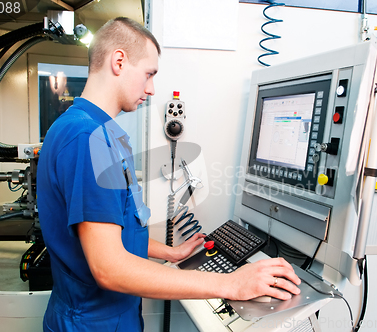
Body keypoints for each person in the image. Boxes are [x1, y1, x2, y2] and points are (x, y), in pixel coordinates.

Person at [37, 17, 301, 331]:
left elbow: (108, 230)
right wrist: (230, 284)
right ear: (119, 61)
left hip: (107, 316)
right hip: (92, 322)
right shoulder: (87, 139)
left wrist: (170, 252)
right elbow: (109, 268)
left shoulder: (94, 131)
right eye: (149, 74)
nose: (150, 89)